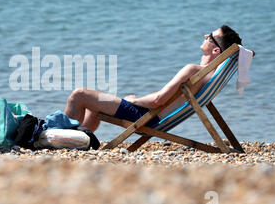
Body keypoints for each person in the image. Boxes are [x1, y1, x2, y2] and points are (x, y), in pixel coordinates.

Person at [63, 25, 242, 132]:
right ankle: (80, 138)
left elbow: (158, 100)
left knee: (79, 95)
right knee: (95, 102)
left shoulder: (193, 69)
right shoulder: (207, 75)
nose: (205, 36)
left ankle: (59, 138)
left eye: (210, 37)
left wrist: (134, 100)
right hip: (154, 117)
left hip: (147, 117)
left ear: (216, 50)